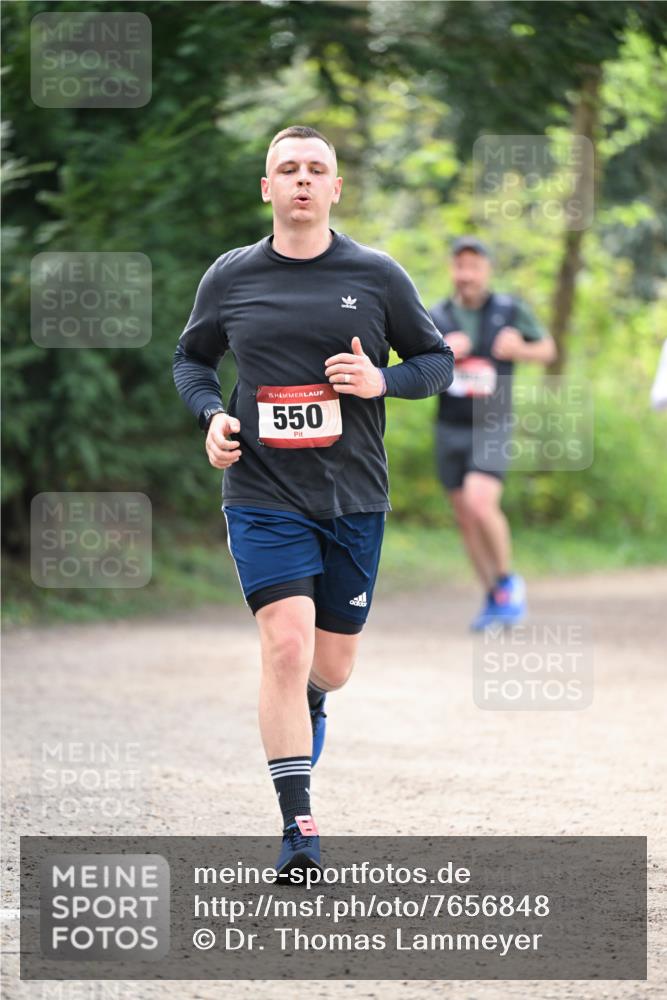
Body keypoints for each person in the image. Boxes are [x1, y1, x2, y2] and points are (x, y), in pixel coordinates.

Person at [173, 125, 453, 879]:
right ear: (267, 188)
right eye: (286, 169)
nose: (301, 179)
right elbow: (191, 359)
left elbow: (437, 362)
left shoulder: (376, 274)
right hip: (261, 492)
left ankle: (315, 704)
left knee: (330, 665)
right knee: (285, 646)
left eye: (315, 168)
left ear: (335, 188)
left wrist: (380, 382)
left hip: (352, 496)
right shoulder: (230, 277)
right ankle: (299, 831)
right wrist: (213, 418)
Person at [430, 236, 556, 631]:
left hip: (493, 421)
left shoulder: (510, 309)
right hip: (449, 423)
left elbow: (548, 349)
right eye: (460, 266)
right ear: (452, 269)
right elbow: (414, 362)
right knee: (465, 516)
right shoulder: (437, 315)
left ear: (487, 270)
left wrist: (521, 348)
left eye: (474, 266)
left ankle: (507, 582)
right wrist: (442, 350)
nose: (466, 274)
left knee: (480, 502)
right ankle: (492, 598)